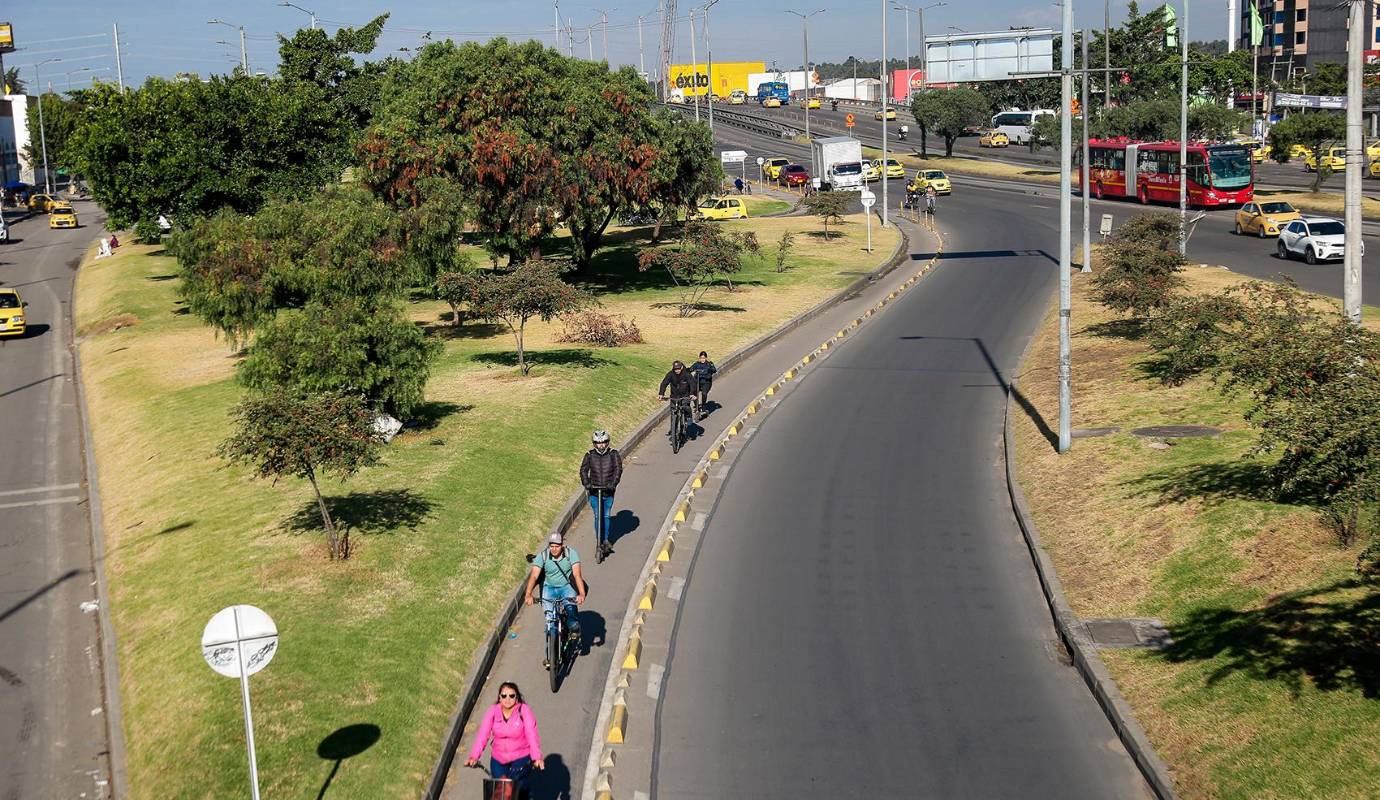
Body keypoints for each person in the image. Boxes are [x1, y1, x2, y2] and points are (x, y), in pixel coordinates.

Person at [463, 681, 543, 792]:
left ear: (517, 698)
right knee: (500, 789)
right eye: (504, 696)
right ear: (499, 698)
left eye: (512, 696)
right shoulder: (493, 711)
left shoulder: (524, 710)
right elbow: (483, 734)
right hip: (498, 758)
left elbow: (532, 734)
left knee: (518, 786)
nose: (507, 699)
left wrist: (536, 757)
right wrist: (474, 757)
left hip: (521, 758)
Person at [525, 533, 586, 648]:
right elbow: (533, 576)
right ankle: (550, 654)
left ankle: (573, 627)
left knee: (571, 611)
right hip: (549, 588)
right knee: (549, 620)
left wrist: (581, 593)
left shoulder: (571, 554)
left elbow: (577, 575)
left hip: (566, 587)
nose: (554, 549)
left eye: (557, 546)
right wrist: (528, 594)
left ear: (562, 545)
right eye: (551, 546)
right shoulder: (543, 556)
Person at [579, 430, 623, 558]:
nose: (601, 446)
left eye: (603, 443)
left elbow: (618, 470)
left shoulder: (613, 455)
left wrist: (613, 484)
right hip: (594, 491)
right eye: (598, 444)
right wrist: (587, 483)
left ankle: (605, 540)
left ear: (607, 443)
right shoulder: (589, 456)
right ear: (594, 444)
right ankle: (599, 540)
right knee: (598, 516)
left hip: (608, 491)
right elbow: (583, 471)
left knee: (606, 515)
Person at [658, 359, 697, 437]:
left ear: (681, 367)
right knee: (673, 412)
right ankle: (673, 429)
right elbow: (664, 383)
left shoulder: (687, 374)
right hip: (674, 396)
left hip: (685, 395)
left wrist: (692, 394)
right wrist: (661, 394)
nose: (677, 370)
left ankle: (689, 417)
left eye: (678, 368)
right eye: (675, 369)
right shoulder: (670, 374)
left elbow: (692, 384)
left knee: (686, 407)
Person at [688, 351, 717, 421]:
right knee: (693, 393)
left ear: (706, 358)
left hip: (706, 382)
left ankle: (703, 406)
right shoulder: (696, 364)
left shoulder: (709, 364)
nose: (702, 359)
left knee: (704, 393)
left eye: (703, 358)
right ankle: (697, 406)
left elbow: (714, 370)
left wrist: (710, 369)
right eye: (701, 358)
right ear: (699, 358)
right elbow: (691, 369)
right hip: (697, 381)